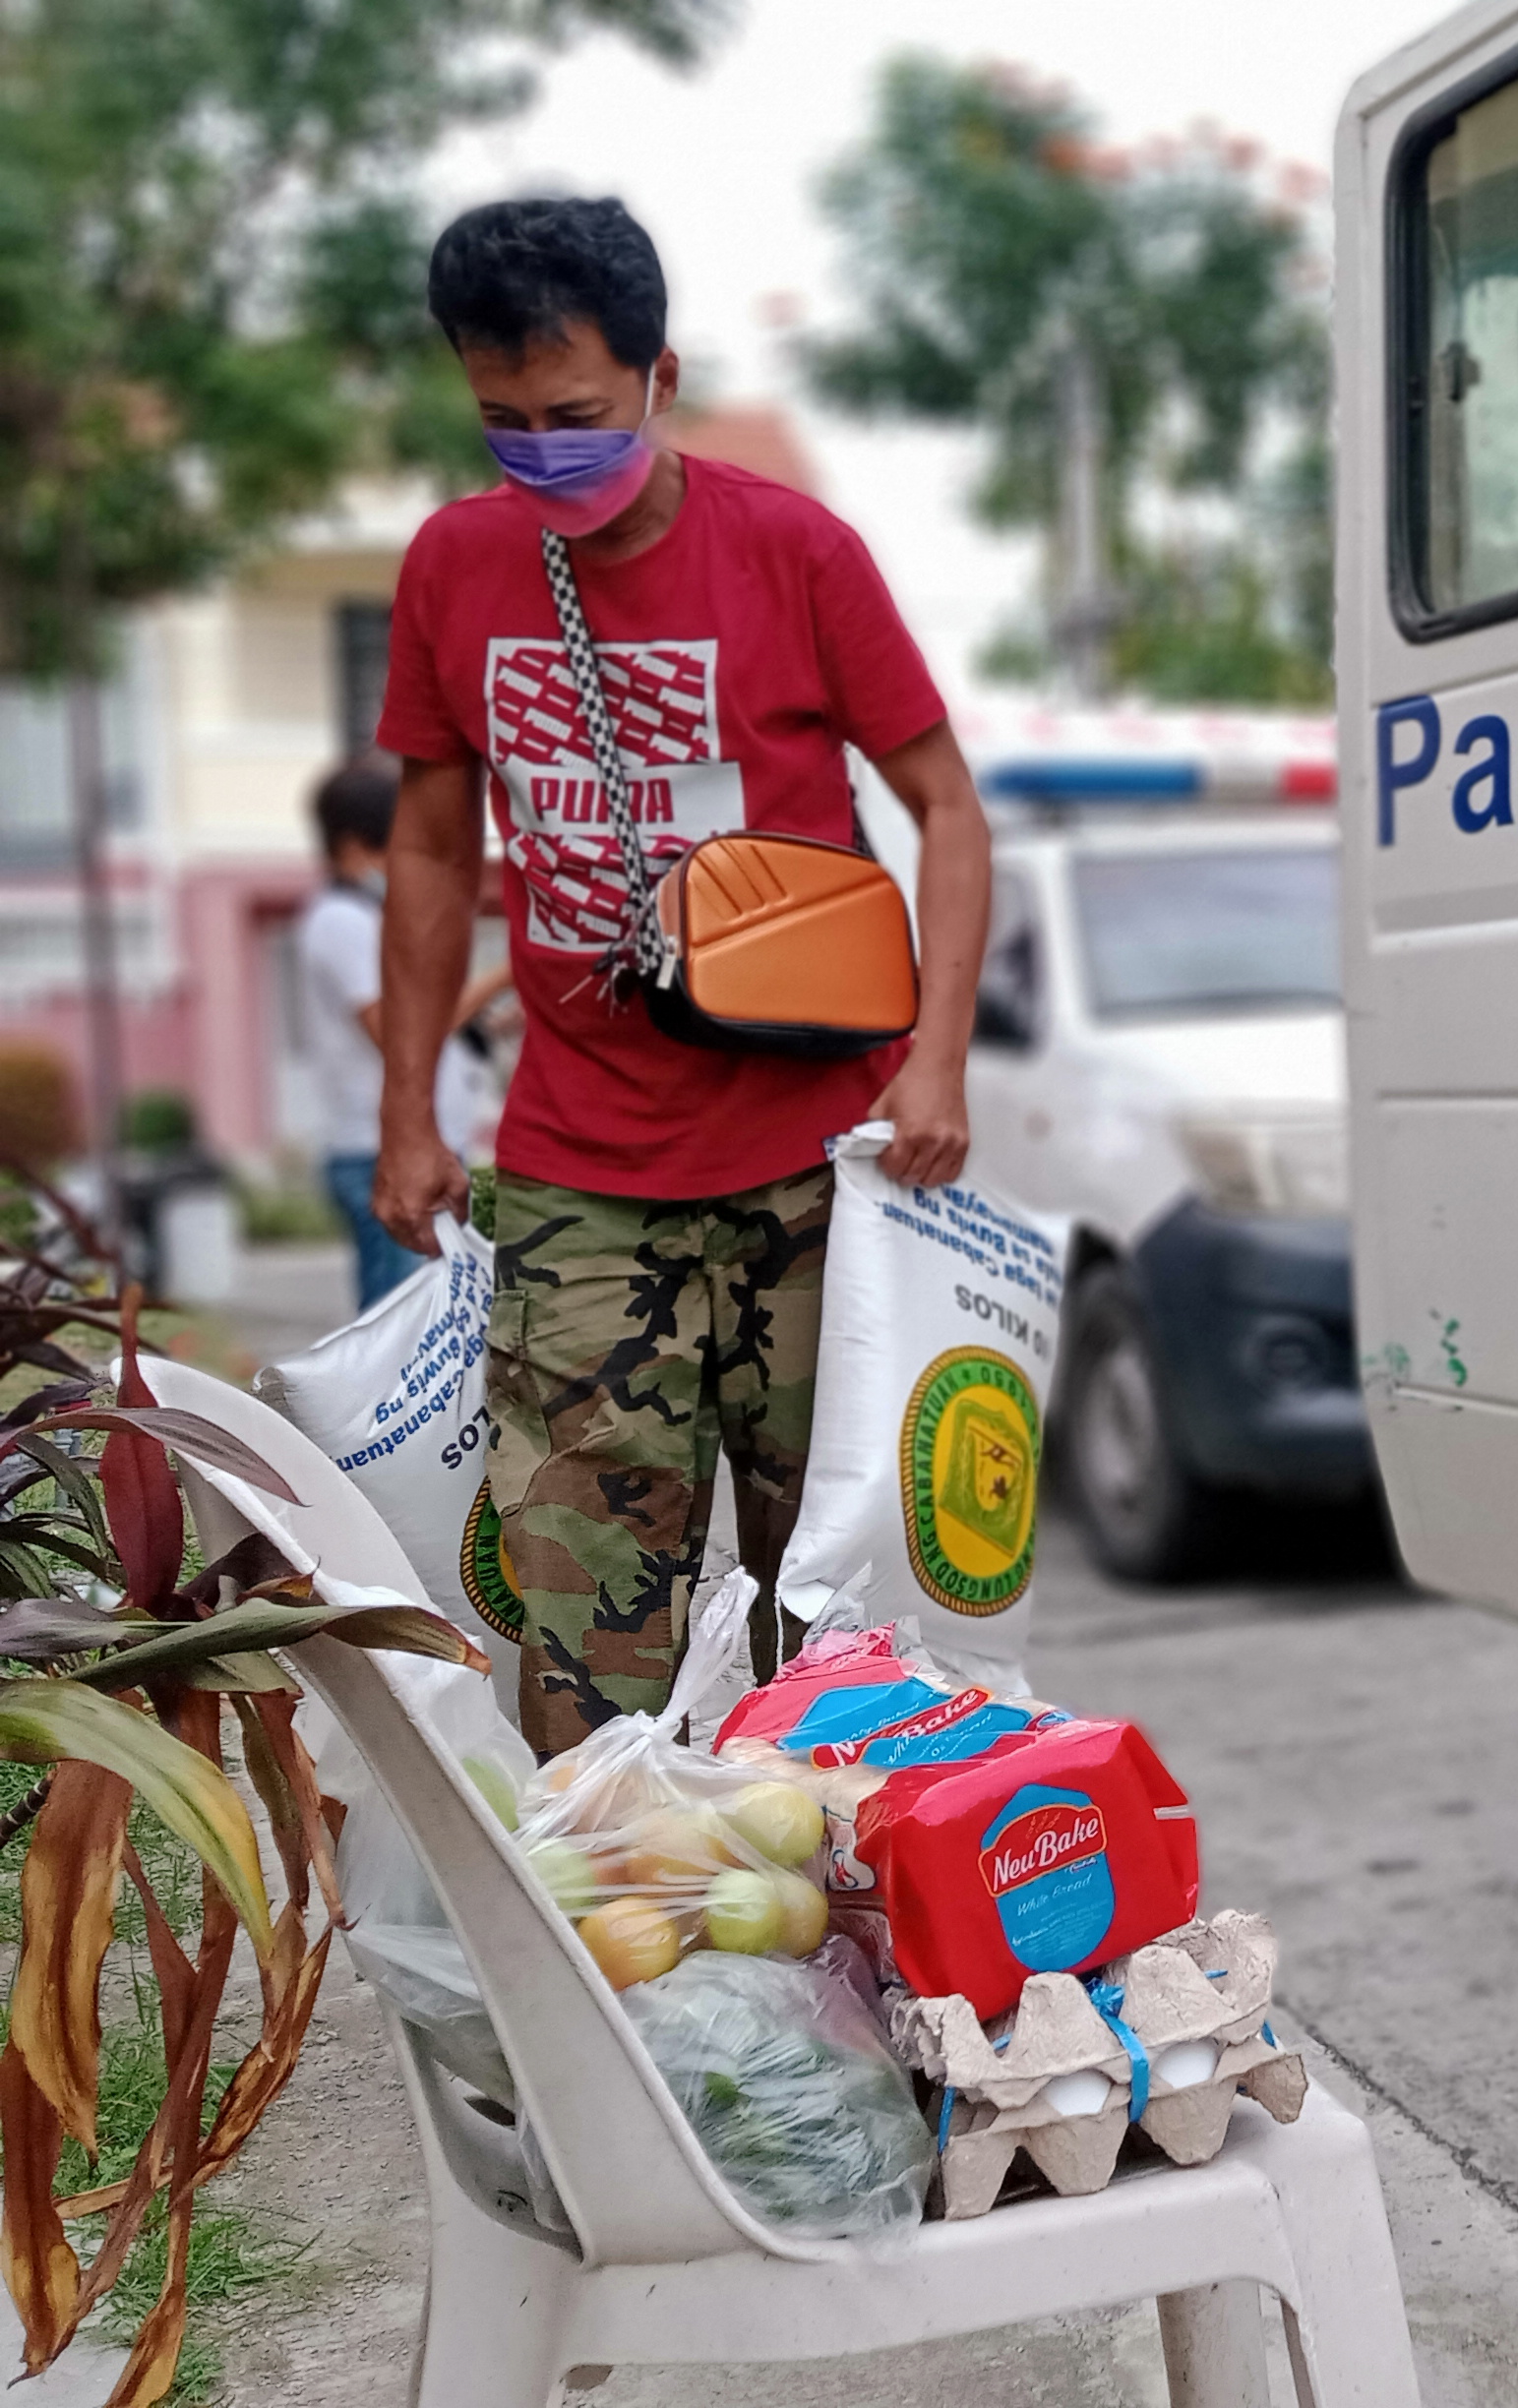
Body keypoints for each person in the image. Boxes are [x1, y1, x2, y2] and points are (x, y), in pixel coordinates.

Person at [368, 196, 991, 1755]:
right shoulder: (453, 566)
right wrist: (409, 1110)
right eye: (502, 422)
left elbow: (947, 808)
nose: (542, 452)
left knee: (842, 1636)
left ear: (659, 377)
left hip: (817, 1172)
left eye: (573, 418)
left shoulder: (792, 552)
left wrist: (939, 1064)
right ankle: (631, 1974)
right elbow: (436, 852)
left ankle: (846, 1975)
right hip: (580, 1179)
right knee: (586, 1642)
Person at [297, 753, 512, 1310]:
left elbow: (439, 1025)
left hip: (419, 1147)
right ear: (353, 847)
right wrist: (513, 967)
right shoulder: (341, 922)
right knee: (401, 1330)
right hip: (383, 1153)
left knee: (423, 1321)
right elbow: (401, 1031)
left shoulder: (369, 916)